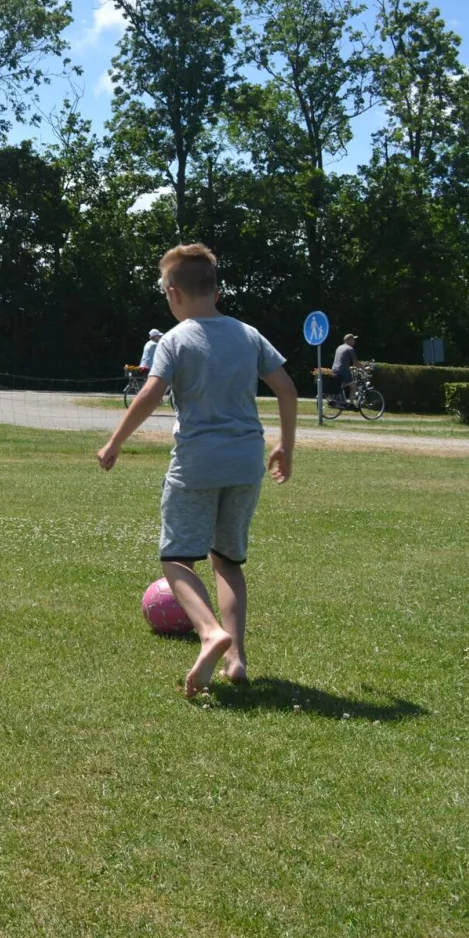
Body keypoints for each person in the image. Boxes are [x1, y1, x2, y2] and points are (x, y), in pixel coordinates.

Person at [97, 243, 298, 697]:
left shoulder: (175, 338)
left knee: (176, 558)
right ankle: (237, 659)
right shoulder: (249, 335)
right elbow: (287, 388)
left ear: (173, 294)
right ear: (217, 291)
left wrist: (115, 441)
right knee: (228, 561)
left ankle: (209, 632)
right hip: (246, 463)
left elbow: (150, 394)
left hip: (196, 464)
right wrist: (285, 445)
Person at [331, 333, 359, 404]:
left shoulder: (339, 347)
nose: (354, 341)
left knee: (342, 385)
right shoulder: (350, 349)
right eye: (353, 339)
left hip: (334, 370)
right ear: (349, 340)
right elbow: (356, 363)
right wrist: (364, 368)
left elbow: (341, 362)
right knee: (353, 386)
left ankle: (340, 400)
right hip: (342, 372)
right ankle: (352, 404)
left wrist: (350, 368)